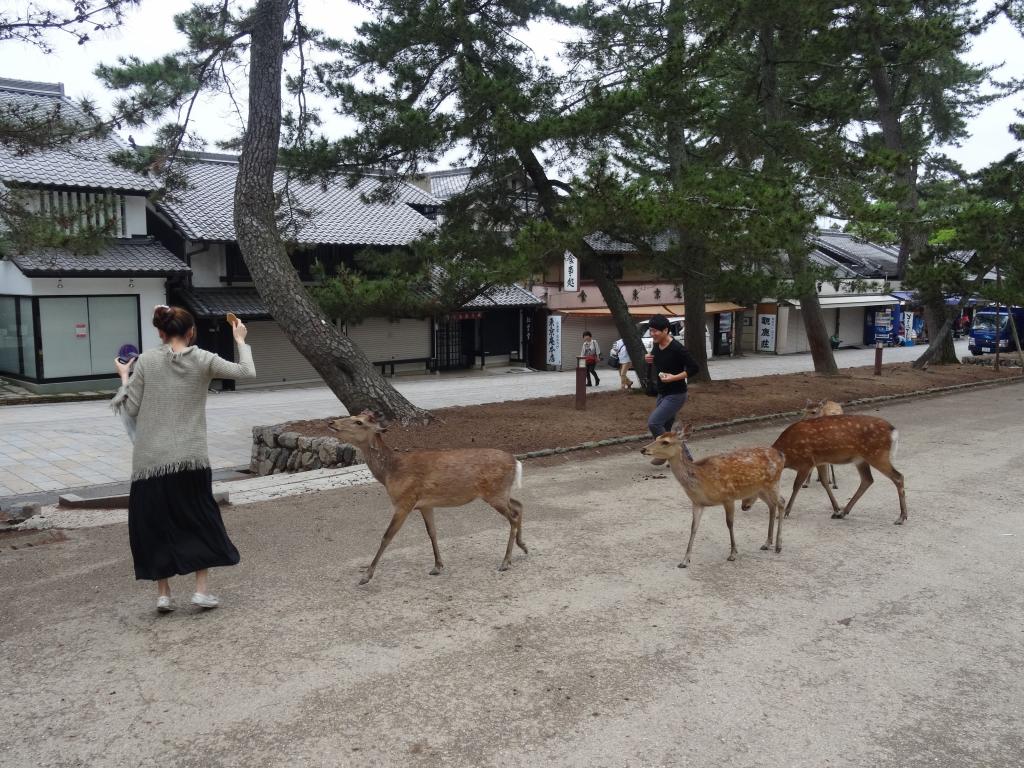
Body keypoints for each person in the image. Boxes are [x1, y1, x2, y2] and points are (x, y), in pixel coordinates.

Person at [112, 305, 256, 613]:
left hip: (151, 460)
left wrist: (125, 376)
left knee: (154, 523)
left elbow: (130, 409)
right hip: (190, 458)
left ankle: (164, 595)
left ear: (161, 333)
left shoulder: (147, 361)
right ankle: (201, 591)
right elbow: (246, 372)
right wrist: (240, 339)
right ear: (191, 331)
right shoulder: (203, 359)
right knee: (198, 519)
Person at [643, 314, 700, 465]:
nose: (652, 334)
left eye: (656, 331)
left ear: (666, 330)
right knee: (666, 428)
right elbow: (655, 358)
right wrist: (649, 359)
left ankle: (684, 457)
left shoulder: (677, 348)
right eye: (651, 330)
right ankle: (664, 456)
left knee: (654, 423)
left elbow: (694, 368)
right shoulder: (657, 344)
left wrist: (674, 377)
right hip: (662, 393)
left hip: (676, 394)